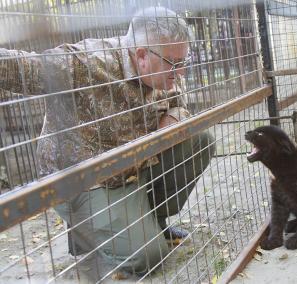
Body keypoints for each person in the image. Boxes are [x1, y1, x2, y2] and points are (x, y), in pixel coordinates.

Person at [0, 6, 215, 280]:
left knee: (200, 140)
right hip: (88, 182)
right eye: (174, 63)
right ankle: (91, 234)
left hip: (132, 169)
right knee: (147, 257)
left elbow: (180, 105)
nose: (181, 71)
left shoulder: (166, 68)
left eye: (185, 61)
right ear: (141, 56)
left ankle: (152, 222)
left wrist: (173, 119)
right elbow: (20, 68)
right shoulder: (87, 63)